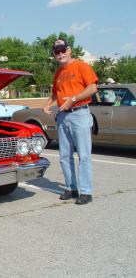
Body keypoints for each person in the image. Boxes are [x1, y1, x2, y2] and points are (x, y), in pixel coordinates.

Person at [43, 39, 98, 205]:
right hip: (62, 116)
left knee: (83, 155)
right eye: (56, 51)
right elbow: (55, 93)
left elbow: (93, 88)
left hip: (79, 114)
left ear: (69, 50)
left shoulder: (81, 66)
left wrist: (74, 98)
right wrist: (47, 104)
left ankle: (86, 192)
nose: (60, 53)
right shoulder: (59, 72)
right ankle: (71, 188)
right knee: (64, 156)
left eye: (62, 50)